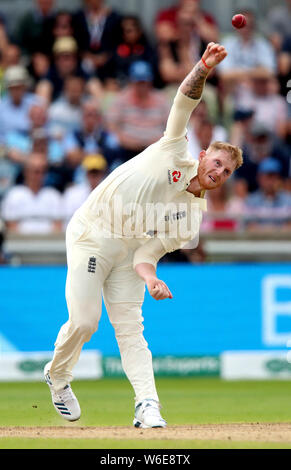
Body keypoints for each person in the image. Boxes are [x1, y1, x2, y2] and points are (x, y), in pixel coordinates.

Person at [44, 42, 243, 428]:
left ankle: (148, 404)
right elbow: (184, 101)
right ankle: (58, 375)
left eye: (227, 172)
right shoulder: (173, 148)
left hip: (129, 254)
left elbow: (146, 255)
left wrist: (151, 279)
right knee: (85, 322)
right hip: (92, 234)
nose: (218, 172)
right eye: (217, 162)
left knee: (131, 329)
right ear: (202, 156)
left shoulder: (191, 219)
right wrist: (203, 66)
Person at [1, 152, 63, 234]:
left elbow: (58, 226)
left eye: (43, 171)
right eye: (36, 171)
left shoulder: (53, 195)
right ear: (26, 171)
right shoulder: (13, 195)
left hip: (49, 244)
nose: (40, 175)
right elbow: (11, 226)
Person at [62, 153, 107, 226]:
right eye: (91, 172)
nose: (94, 175)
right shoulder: (73, 193)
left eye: (96, 172)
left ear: (102, 173)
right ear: (86, 173)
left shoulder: (109, 193)